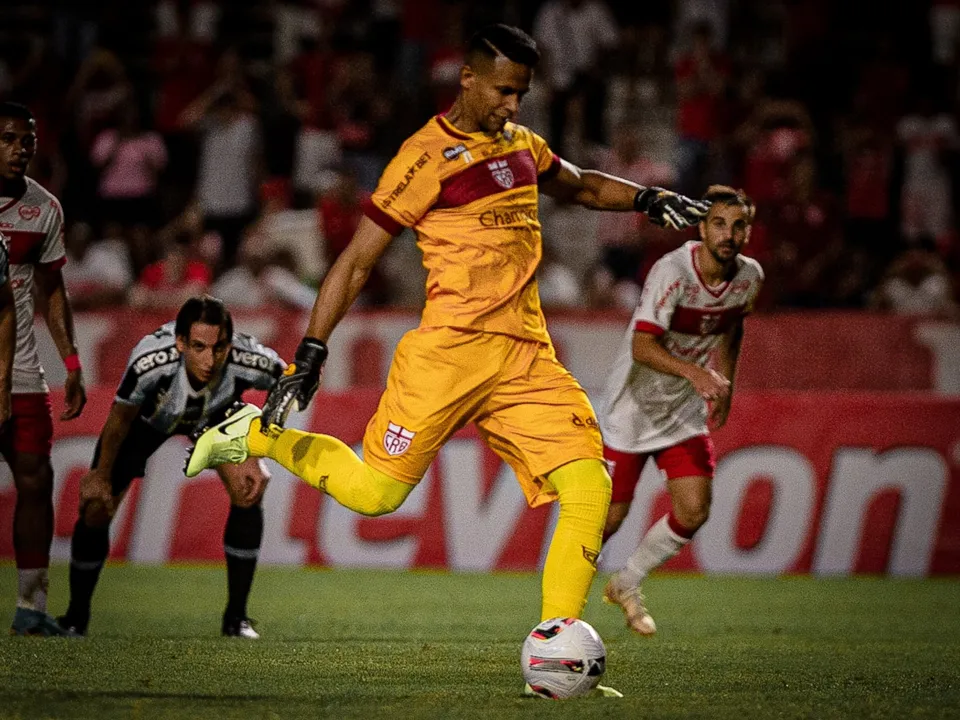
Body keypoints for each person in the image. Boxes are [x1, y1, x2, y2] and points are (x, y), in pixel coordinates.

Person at [185, 24, 707, 683]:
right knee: (375, 494)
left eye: (521, 93)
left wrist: (645, 197)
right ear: (467, 79)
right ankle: (255, 435)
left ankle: (554, 652)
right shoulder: (424, 157)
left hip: (525, 357)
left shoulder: (522, 147)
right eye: (502, 91)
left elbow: (574, 183)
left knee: (588, 483)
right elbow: (353, 264)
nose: (512, 106)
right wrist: (310, 352)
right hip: (447, 355)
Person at [57, 296, 284, 638]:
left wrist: (255, 444)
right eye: (199, 347)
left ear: (230, 343)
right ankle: (76, 618)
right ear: (180, 342)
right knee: (95, 507)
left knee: (250, 488)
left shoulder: (251, 360)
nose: (210, 360)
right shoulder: (150, 360)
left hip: (215, 418)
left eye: (219, 347)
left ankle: (236, 619)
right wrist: (100, 474)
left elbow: (289, 384)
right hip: (148, 423)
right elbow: (120, 419)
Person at [598, 186, 763, 635]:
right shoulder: (672, 271)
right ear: (702, 226)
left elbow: (732, 328)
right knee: (608, 519)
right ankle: (561, 609)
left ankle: (627, 583)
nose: (728, 234)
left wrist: (724, 385)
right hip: (630, 406)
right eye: (719, 223)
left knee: (694, 510)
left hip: (679, 410)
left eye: (739, 224)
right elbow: (642, 345)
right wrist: (696, 374)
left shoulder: (749, 276)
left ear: (749, 229)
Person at [0, 101, 88, 636]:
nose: (19, 150)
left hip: (24, 374)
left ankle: (30, 606)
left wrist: (72, 361)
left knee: (36, 481)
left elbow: (53, 293)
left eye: (26, 141)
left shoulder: (44, 208)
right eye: (8, 139)